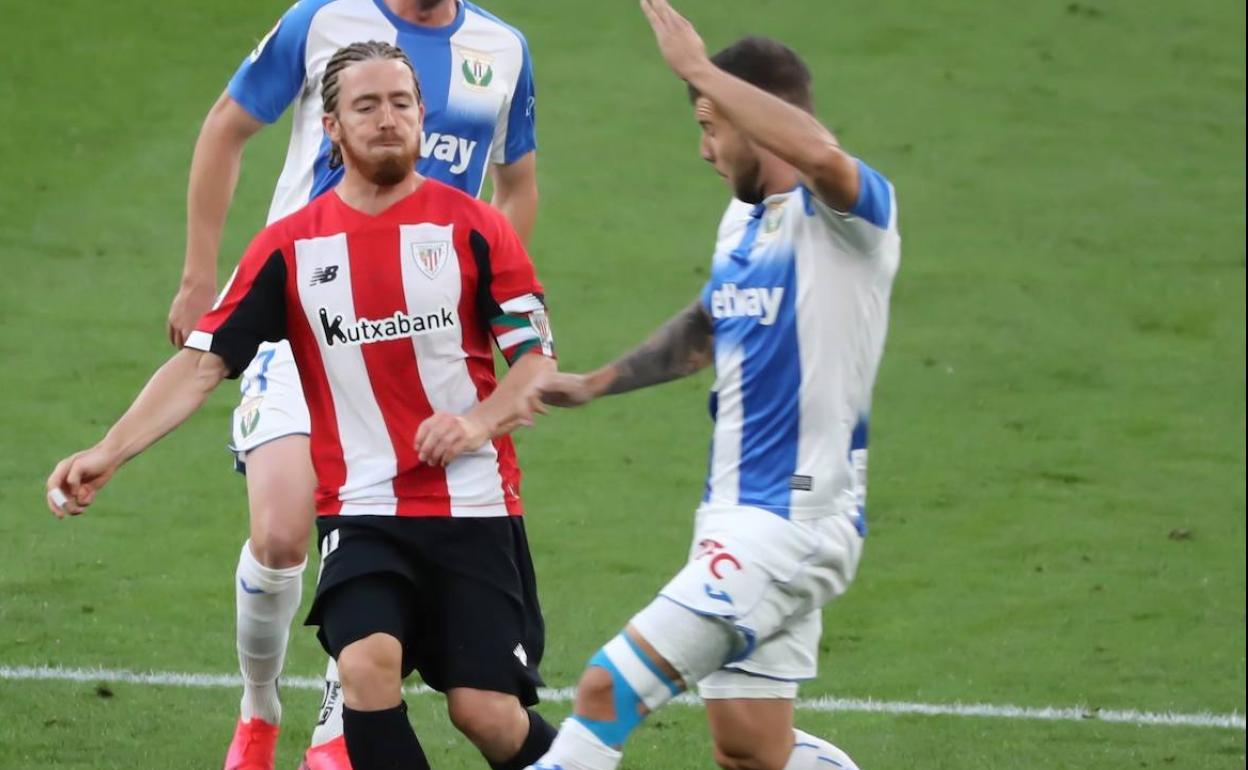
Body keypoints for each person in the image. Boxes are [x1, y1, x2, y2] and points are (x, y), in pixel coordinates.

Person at [47, 41, 558, 770]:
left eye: (402, 104)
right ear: (332, 127)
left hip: (474, 510)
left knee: (486, 715)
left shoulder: (475, 226)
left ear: (422, 117)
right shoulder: (290, 247)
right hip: (363, 510)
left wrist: (476, 422)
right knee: (366, 669)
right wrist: (108, 451)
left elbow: (536, 361)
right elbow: (201, 364)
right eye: (367, 106)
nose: (388, 120)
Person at [527, 3, 901, 769]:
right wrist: (597, 383)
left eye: (710, 125)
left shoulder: (850, 219)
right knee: (750, 750)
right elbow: (710, 322)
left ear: (755, 118)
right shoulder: (744, 225)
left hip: (793, 522)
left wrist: (701, 71)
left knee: (604, 691)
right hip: (732, 515)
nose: (704, 150)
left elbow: (824, 156)